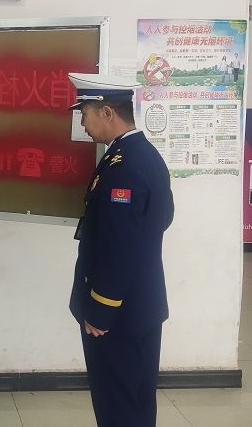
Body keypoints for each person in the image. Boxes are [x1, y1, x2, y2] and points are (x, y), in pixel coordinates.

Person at [66, 73, 174, 427]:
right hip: (140, 304)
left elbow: (120, 246)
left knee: (118, 405)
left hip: (118, 314)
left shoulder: (124, 167)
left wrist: (101, 309)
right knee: (136, 401)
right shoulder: (140, 155)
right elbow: (162, 218)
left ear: (107, 112)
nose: (83, 124)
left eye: (85, 114)